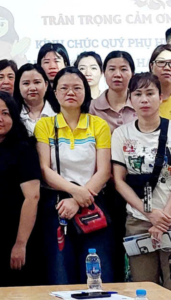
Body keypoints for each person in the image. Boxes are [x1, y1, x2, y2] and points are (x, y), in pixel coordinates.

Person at [111, 72, 171, 297]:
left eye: (150, 93)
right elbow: (119, 181)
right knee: (143, 290)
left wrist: (163, 218)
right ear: (130, 99)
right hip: (138, 221)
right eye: (138, 94)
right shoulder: (121, 134)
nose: (144, 99)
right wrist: (150, 214)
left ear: (161, 98)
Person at [33, 68, 115, 285]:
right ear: (55, 93)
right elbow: (44, 169)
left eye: (77, 87)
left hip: (93, 205)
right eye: (64, 88)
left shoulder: (98, 125)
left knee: (97, 274)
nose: (70, 92)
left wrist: (79, 199)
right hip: (57, 206)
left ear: (86, 92)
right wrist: (74, 192)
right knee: (60, 274)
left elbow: (104, 171)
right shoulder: (45, 125)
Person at [0, 93, 42, 287]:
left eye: (5, 113)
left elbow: (32, 197)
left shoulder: (24, 148)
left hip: (15, 234)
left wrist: (20, 244)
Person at [89, 51, 136, 130]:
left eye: (123, 69)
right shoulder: (92, 108)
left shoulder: (139, 104)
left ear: (132, 74)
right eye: (112, 69)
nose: (117, 74)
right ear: (104, 73)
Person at [14, 64, 54, 136]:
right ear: (18, 86)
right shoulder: (12, 114)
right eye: (26, 83)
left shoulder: (58, 112)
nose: (32, 88)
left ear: (46, 85)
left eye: (37, 82)